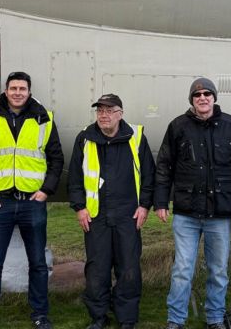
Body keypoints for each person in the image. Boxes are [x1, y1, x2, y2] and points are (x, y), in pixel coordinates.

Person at [155, 77, 231, 329]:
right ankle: (175, 320)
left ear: (214, 97)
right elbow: (164, 166)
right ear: (192, 99)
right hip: (186, 214)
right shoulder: (178, 127)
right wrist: (160, 201)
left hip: (220, 214)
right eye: (197, 94)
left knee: (218, 271)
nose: (202, 97)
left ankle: (215, 318)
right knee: (182, 270)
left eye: (207, 93)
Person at [0, 71, 64, 329]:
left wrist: (46, 190)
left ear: (29, 92)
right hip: (0, 202)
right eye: (13, 88)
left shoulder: (43, 118)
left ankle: (40, 315)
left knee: (37, 264)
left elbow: (56, 158)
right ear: (6, 91)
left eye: (22, 89)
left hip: (32, 203)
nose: (17, 93)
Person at [68, 94, 156, 329]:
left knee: (129, 269)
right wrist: (79, 207)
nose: (103, 115)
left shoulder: (136, 138)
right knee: (97, 270)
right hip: (96, 217)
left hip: (128, 215)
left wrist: (144, 205)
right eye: (99, 111)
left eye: (109, 110)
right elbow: (75, 178)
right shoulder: (85, 138)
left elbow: (148, 175)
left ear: (120, 114)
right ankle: (98, 317)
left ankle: (127, 318)